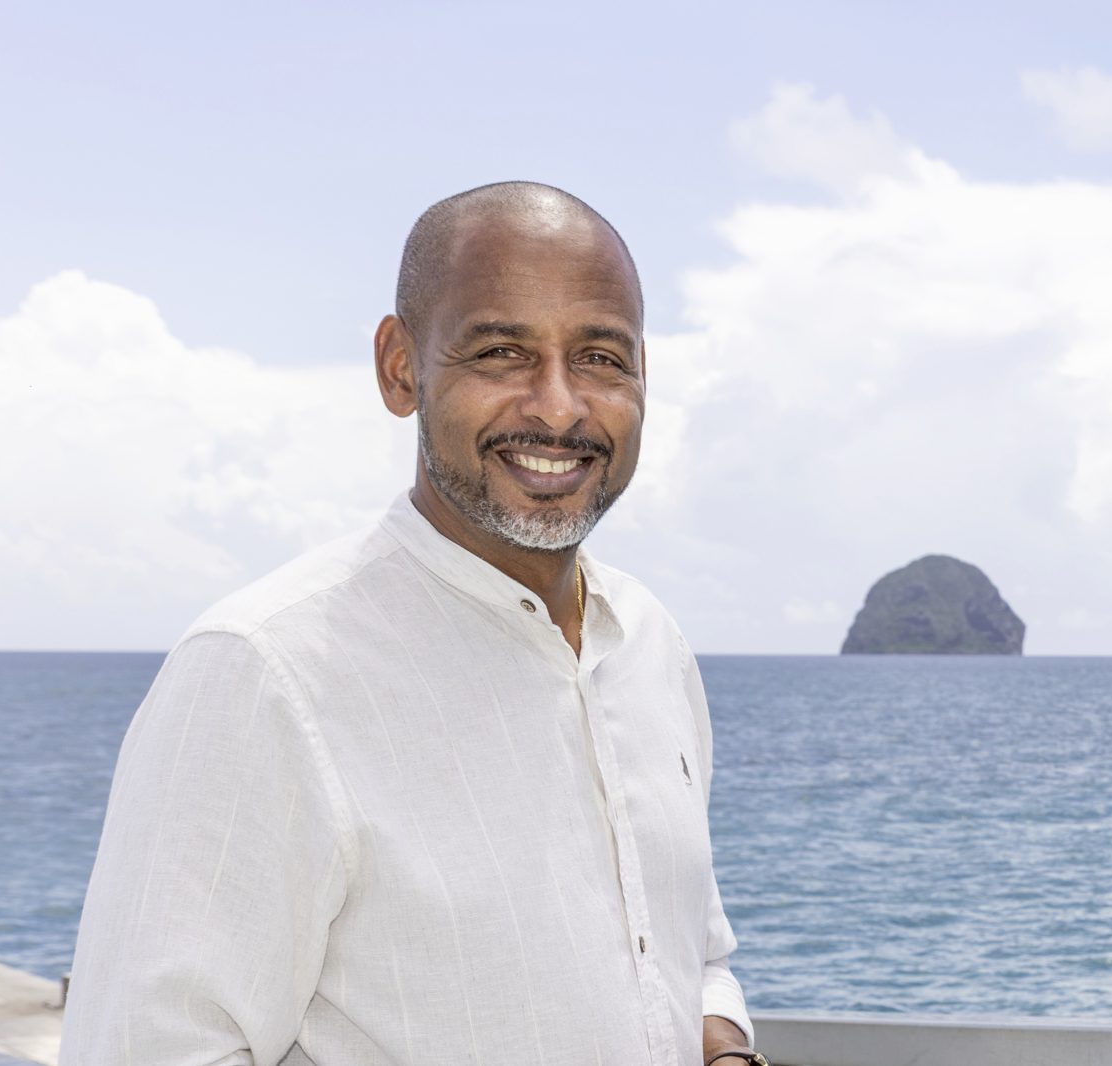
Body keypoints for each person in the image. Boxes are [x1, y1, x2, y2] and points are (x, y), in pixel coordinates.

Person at [64, 182, 766, 1066]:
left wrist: (726, 1049)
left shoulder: (651, 645)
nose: (558, 406)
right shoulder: (263, 672)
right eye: (502, 352)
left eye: (599, 358)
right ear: (402, 369)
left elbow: (687, 957)